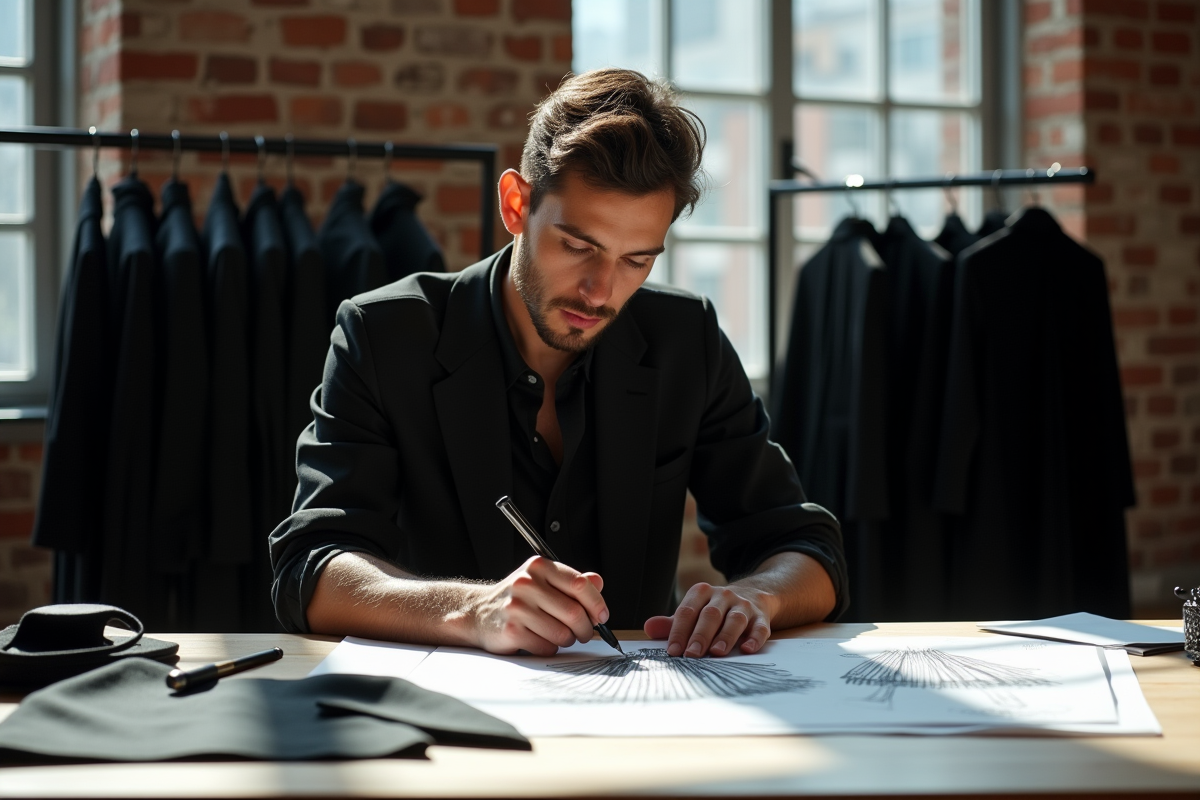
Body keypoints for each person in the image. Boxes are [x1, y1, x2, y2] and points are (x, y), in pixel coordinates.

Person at [270, 69, 848, 658]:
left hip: (643, 716)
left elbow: (806, 547)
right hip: (444, 719)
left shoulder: (684, 337)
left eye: (637, 260)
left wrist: (757, 597)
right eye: (578, 247)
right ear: (516, 203)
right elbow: (311, 568)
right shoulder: (385, 334)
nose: (601, 291)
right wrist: (472, 610)